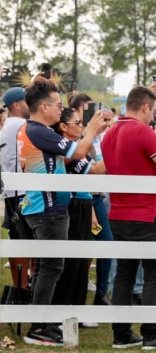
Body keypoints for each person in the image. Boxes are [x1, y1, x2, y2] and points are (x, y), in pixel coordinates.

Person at [18, 79, 108, 346]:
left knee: (47, 267)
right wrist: (92, 129)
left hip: (45, 208)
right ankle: (39, 326)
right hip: (47, 210)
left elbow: (73, 158)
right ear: (44, 106)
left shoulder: (35, 130)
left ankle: (42, 322)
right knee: (52, 267)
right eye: (58, 104)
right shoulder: (38, 131)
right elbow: (78, 151)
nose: (61, 108)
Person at [101, 85, 156, 350]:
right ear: (146, 107)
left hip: (119, 212)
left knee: (124, 274)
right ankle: (152, 332)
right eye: (152, 111)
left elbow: (139, 168)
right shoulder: (142, 131)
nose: (153, 117)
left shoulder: (109, 133)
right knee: (155, 273)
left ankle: (121, 334)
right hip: (147, 213)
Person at [50, 108, 106, 320]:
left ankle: (78, 310)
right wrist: (91, 133)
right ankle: (64, 313)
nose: (81, 126)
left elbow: (96, 170)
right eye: (77, 122)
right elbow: (75, 159)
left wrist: (114, 147)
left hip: (83, 203)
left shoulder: (76, 150)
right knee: (71, 262)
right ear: (64, 127)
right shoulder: (64, 150)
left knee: (82, 260)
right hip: (70, 205)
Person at [0, 87, 33, 293]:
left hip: (13, 192)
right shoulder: (20, 124)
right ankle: (22, 288)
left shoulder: (9, 124)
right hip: (21, 192)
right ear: (17, 105)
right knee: (24, 242)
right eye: (28, 100)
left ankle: (20, 286)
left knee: (18, 240)